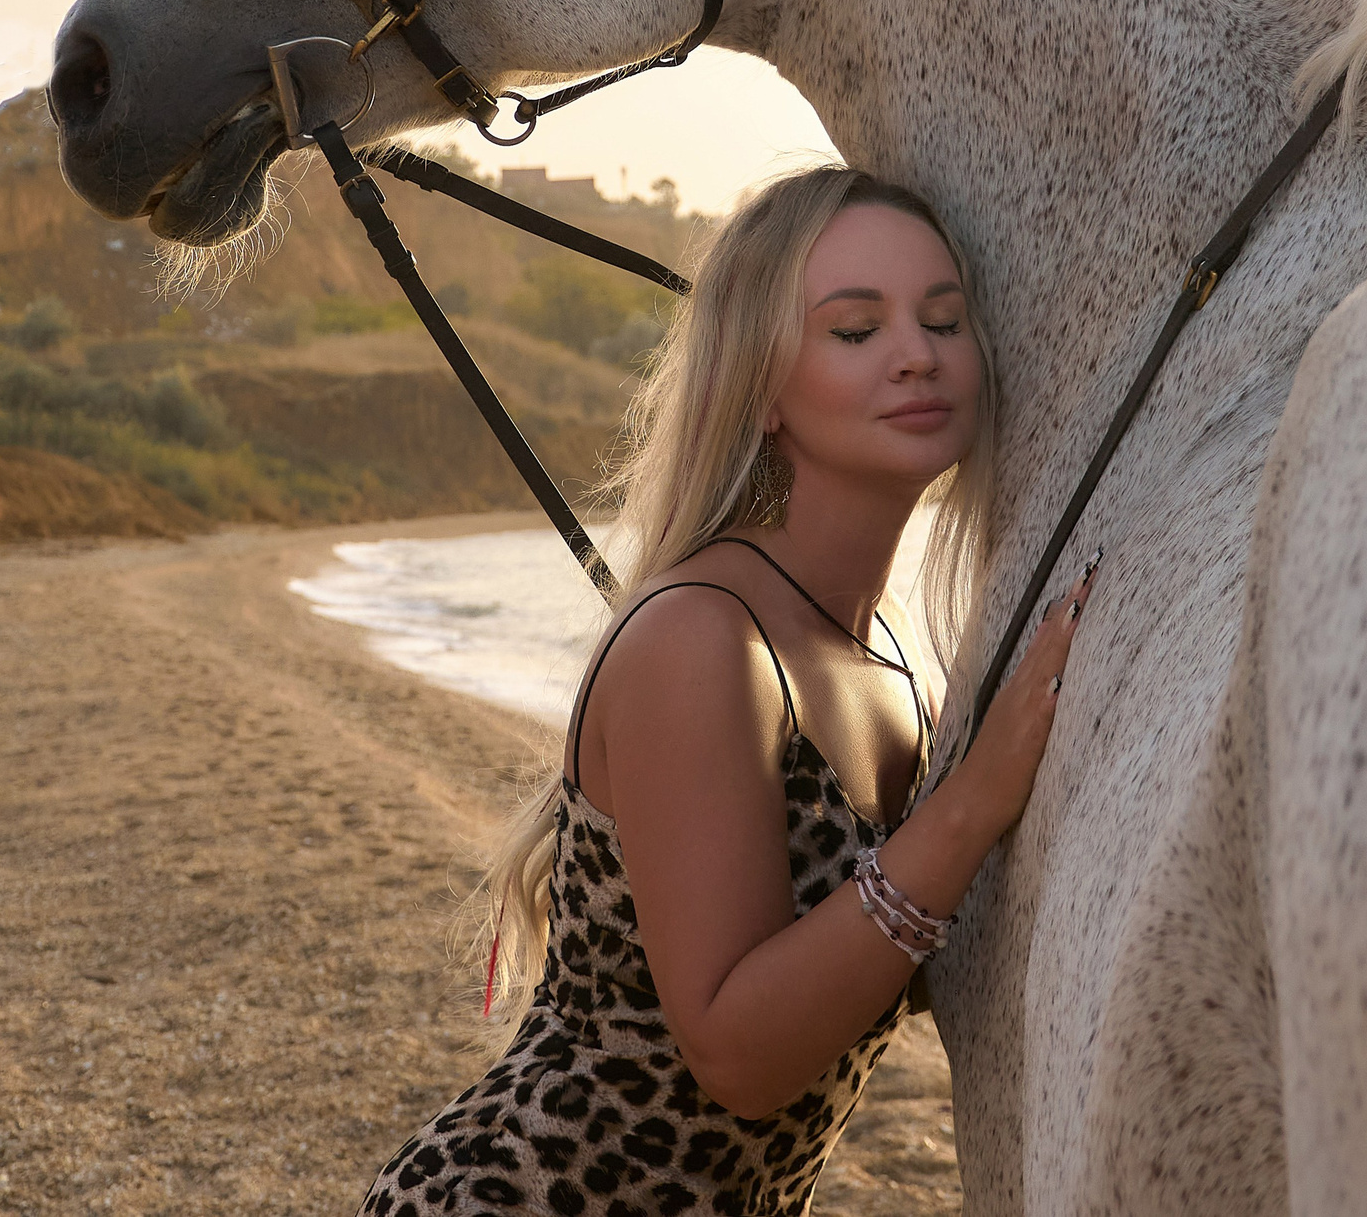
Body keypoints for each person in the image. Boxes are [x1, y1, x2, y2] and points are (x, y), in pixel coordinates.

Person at [359, 166, 1090, 1216]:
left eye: (943, 319)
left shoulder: (879, 656)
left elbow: (882, 959)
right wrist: (975, 799)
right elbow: (740, 1054)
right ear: (762, 387)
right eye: (853, 330)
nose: (916, 355)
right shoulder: (703, 639)